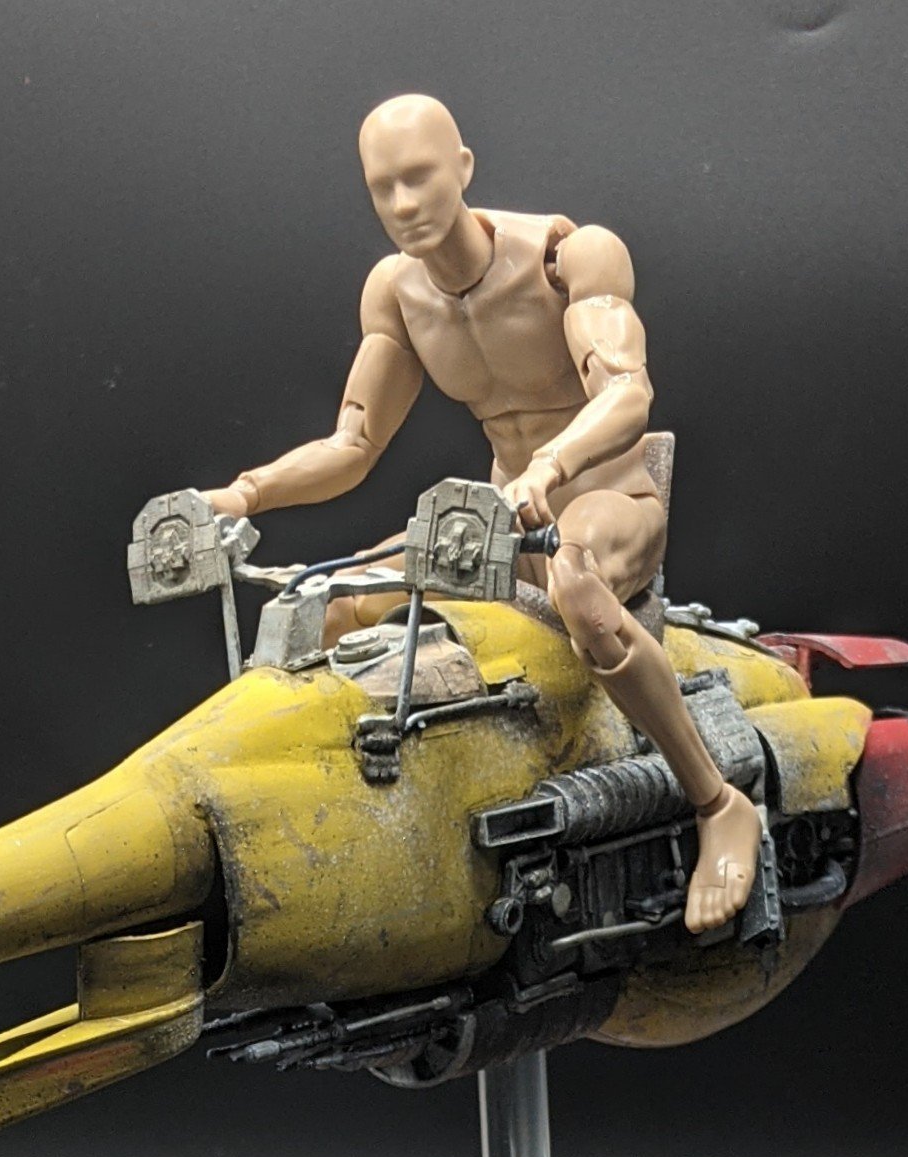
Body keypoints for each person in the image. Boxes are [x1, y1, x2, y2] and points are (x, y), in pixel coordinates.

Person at [200, 94, 759, 934]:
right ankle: (342, 818)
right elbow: (354, 442)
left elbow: (628, 392)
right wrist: (244, 494)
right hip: (504, 525)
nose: (403, 204)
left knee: (580, 588)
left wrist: (551, 466)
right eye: (382, 187)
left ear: (462, 168)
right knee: (333, 599)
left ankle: (717, 803)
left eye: (419, 177)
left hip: (610, 505)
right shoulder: (395, 293)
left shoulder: (568, 256)